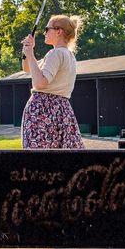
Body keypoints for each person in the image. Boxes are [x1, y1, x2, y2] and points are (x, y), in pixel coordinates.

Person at [20, 15, 84, 149]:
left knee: (39, 160)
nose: (45, 32)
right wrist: (27, 51)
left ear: (59, 31)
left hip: (44, 109)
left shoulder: (55, 54)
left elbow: (40, 83)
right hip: (62, 110)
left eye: (47, 29)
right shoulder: (69, 55)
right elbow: (27, 69)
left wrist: (31, 55)